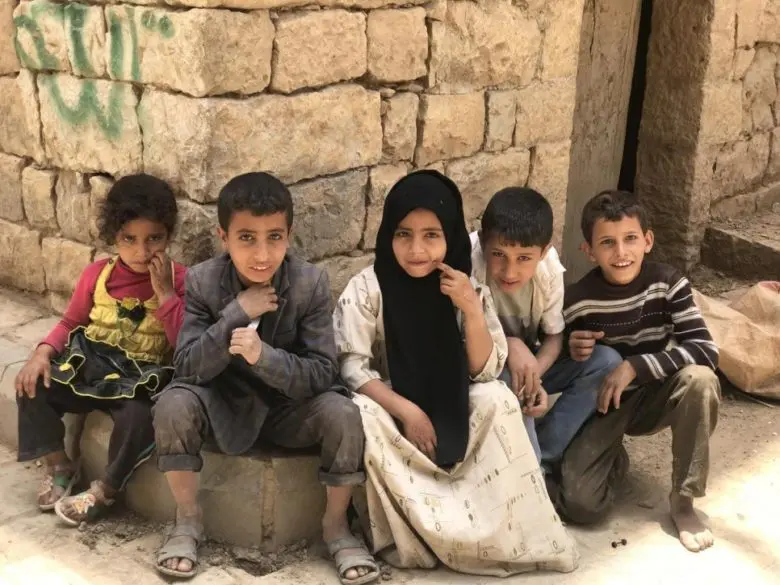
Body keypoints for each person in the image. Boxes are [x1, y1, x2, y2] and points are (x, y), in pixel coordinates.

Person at [334, 171, 578, 576]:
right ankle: (419, 533)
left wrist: (470, 309)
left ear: (450, 236)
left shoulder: (463, 286)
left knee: (497, 398)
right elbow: (352, 368)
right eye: (403, 234)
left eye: (431, 235)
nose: (416, 249)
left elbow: (483, 371)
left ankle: (489, 529)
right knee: (363, 413)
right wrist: (408, 412)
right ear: (387, 235)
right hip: (391, 406)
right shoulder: (368, 288)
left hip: (452, 397)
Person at [151, 172, 379, 584]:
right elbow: (186, 366)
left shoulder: (309, 284)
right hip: (222, 407)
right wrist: (235, 314)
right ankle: (187, 520)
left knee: (343, 412)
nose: (261, 253)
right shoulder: (203, 281)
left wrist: (264, 357)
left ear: (289, 235)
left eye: (274, 237)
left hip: (287, 411)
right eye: (246, 238)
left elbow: (323, 372)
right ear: (223, 237)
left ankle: (336, 527)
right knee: (173, 402)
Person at [15, 173, 186, 526]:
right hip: (89, 368)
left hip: (139, 380)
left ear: (169, 235)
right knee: (31, 384)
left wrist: (166, 294)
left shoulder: (181, 279)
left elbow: (183, 342)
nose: (142, 251)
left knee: (141, 419)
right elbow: (70, 322)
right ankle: (58, 462)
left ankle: (106, 489)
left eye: (154, 238)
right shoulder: (97, 274)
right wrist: (42, 353)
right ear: (113, 237)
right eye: (129, 239)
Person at [555, 190, 720, 553]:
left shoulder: (668, 283)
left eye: (630, 239)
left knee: (701, 381)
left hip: (660, 394)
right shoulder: (577, 299)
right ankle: (612, 459)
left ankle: (683, 500)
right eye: (607, 243)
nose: (621, 252)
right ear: (589, 250)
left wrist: (635, 365)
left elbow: (706, 350)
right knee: (581, 505)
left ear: (648, 240)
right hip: (605, 405)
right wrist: (573, 349)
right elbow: (556, 362)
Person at [470, 187, 621, 468]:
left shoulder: (549, 269)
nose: (510, 271)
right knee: (510, 378)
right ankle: (528, 473)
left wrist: (534, 377)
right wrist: (511, 347)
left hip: (527, 364)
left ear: (544, 251)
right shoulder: (468, 265)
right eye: (499, 254)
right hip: (482, 371)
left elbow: (554, 336)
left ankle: (542, 459)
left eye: (524, 258)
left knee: (606, 362)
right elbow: (465, 345)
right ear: (482, 242)